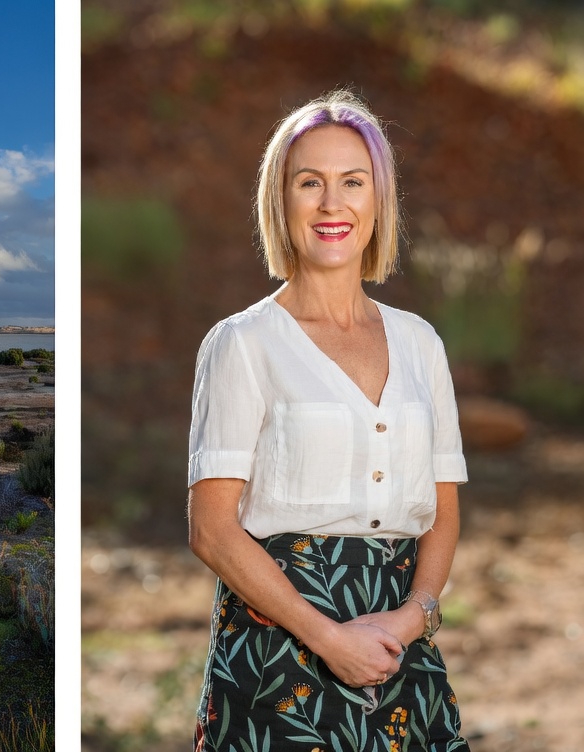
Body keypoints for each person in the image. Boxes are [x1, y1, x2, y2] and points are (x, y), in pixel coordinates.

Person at [188, 89, 469, 751]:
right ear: (280, 200)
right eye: (309, 182)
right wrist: (328, 639)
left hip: (399, 654)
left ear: (380, 198)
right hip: (277, 653)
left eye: (352, 181)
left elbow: (444, 510)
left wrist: (411, 619)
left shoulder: (420, 342)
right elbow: (212, 529)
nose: (331, 204)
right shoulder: (242, 342)